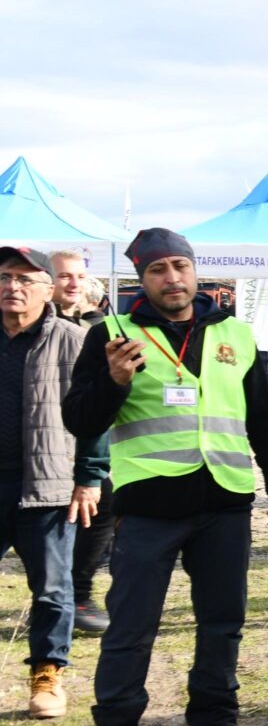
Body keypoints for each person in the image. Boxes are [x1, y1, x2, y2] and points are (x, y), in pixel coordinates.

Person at [60, 229, 268, 726]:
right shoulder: (111, 335)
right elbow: (79, 419)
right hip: (148, 509)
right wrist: (114, 382)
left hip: (224, 503)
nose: (173, 278)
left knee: (222, 626)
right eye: (159, 269)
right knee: (129, 633)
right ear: (141, 278)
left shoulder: (236, 334)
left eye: (180, 266)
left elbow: (263, 416)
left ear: (195, 272)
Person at [1, 247, 105, 720]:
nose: (12, 287)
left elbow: (96, 415)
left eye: (25, 279)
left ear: (47, 289)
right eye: (5, 277)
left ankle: (47, 675)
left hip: (46, 485)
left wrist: (88, 478)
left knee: (52, 588)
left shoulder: (74, 339)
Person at [53, 259, 113, 634]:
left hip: (82, 437)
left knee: (99, 507)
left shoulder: (98, 329)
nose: (74, 283)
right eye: (64, 276)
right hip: (39, 440)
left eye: (80, 276)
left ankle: (77, 594)